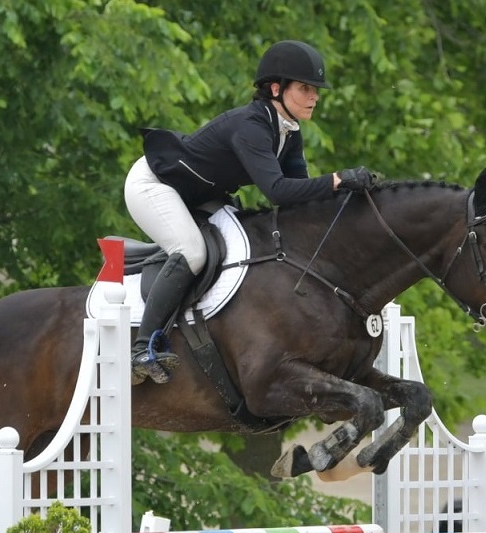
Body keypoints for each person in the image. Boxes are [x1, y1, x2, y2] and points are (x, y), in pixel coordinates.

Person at [123, 39, 377, 385]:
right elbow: (276, 190)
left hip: (200, 193)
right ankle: (141, 349)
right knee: (192, 252)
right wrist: (336, 179)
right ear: (276, 88)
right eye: (305, 88)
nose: (314, 96)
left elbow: (296, 203)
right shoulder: (251, 127)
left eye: (315, 90)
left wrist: (348, 198)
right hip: (154, 185)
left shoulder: (288, 132)